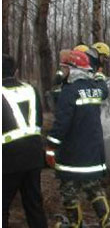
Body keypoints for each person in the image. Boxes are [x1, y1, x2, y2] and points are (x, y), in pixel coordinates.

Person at [46, 50, 110, 227]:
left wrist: (50, 146)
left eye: (63, 68)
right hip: (93, 153)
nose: (61, 71)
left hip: (73, 156)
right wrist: (99, 77)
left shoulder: (69, 92)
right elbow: (104, 89)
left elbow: (61, 124)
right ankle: (107, 221)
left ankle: (76, 224)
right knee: (94, 189)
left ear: (72, 69)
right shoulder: (96, 89)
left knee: (69, 192)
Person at [2, 54, 48, 227]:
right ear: (16, 71)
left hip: (8, 158)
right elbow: (39, 121)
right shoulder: (30, 89)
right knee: (34, 205)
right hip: (34, 154)